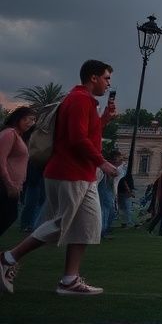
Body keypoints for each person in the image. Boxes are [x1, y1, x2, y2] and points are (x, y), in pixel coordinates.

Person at [0, 59, 118, 295]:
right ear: (93, 77)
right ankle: (7, 258)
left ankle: (69, 280)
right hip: (69, 172)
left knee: (87, 225)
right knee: (62, 223)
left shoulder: (84, 101)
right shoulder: (79, 99)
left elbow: (87, 134)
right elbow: (77, 139)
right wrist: (102, 162)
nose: (108, 84)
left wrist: (105, 118)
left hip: (83, 173)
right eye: (106, 78)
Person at [0, 107, 36, 236]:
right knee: (9, 215)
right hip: (4, 184)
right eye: (27, 119)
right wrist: (9, 183)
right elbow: (1, 159)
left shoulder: (18, 136)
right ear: (18, 118)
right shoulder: (9, 133)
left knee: (9, 215)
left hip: (13, 185)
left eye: (33, 120)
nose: (30, 123)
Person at [98, 151, 124, 239]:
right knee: (105, 211)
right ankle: (103, 231)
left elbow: (115, 180)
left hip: (110, 192)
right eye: (119, 159)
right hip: (104, 192)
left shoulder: (117, 170)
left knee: (111, 212)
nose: (121, 161)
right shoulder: (104, 168)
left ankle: (105, 229)